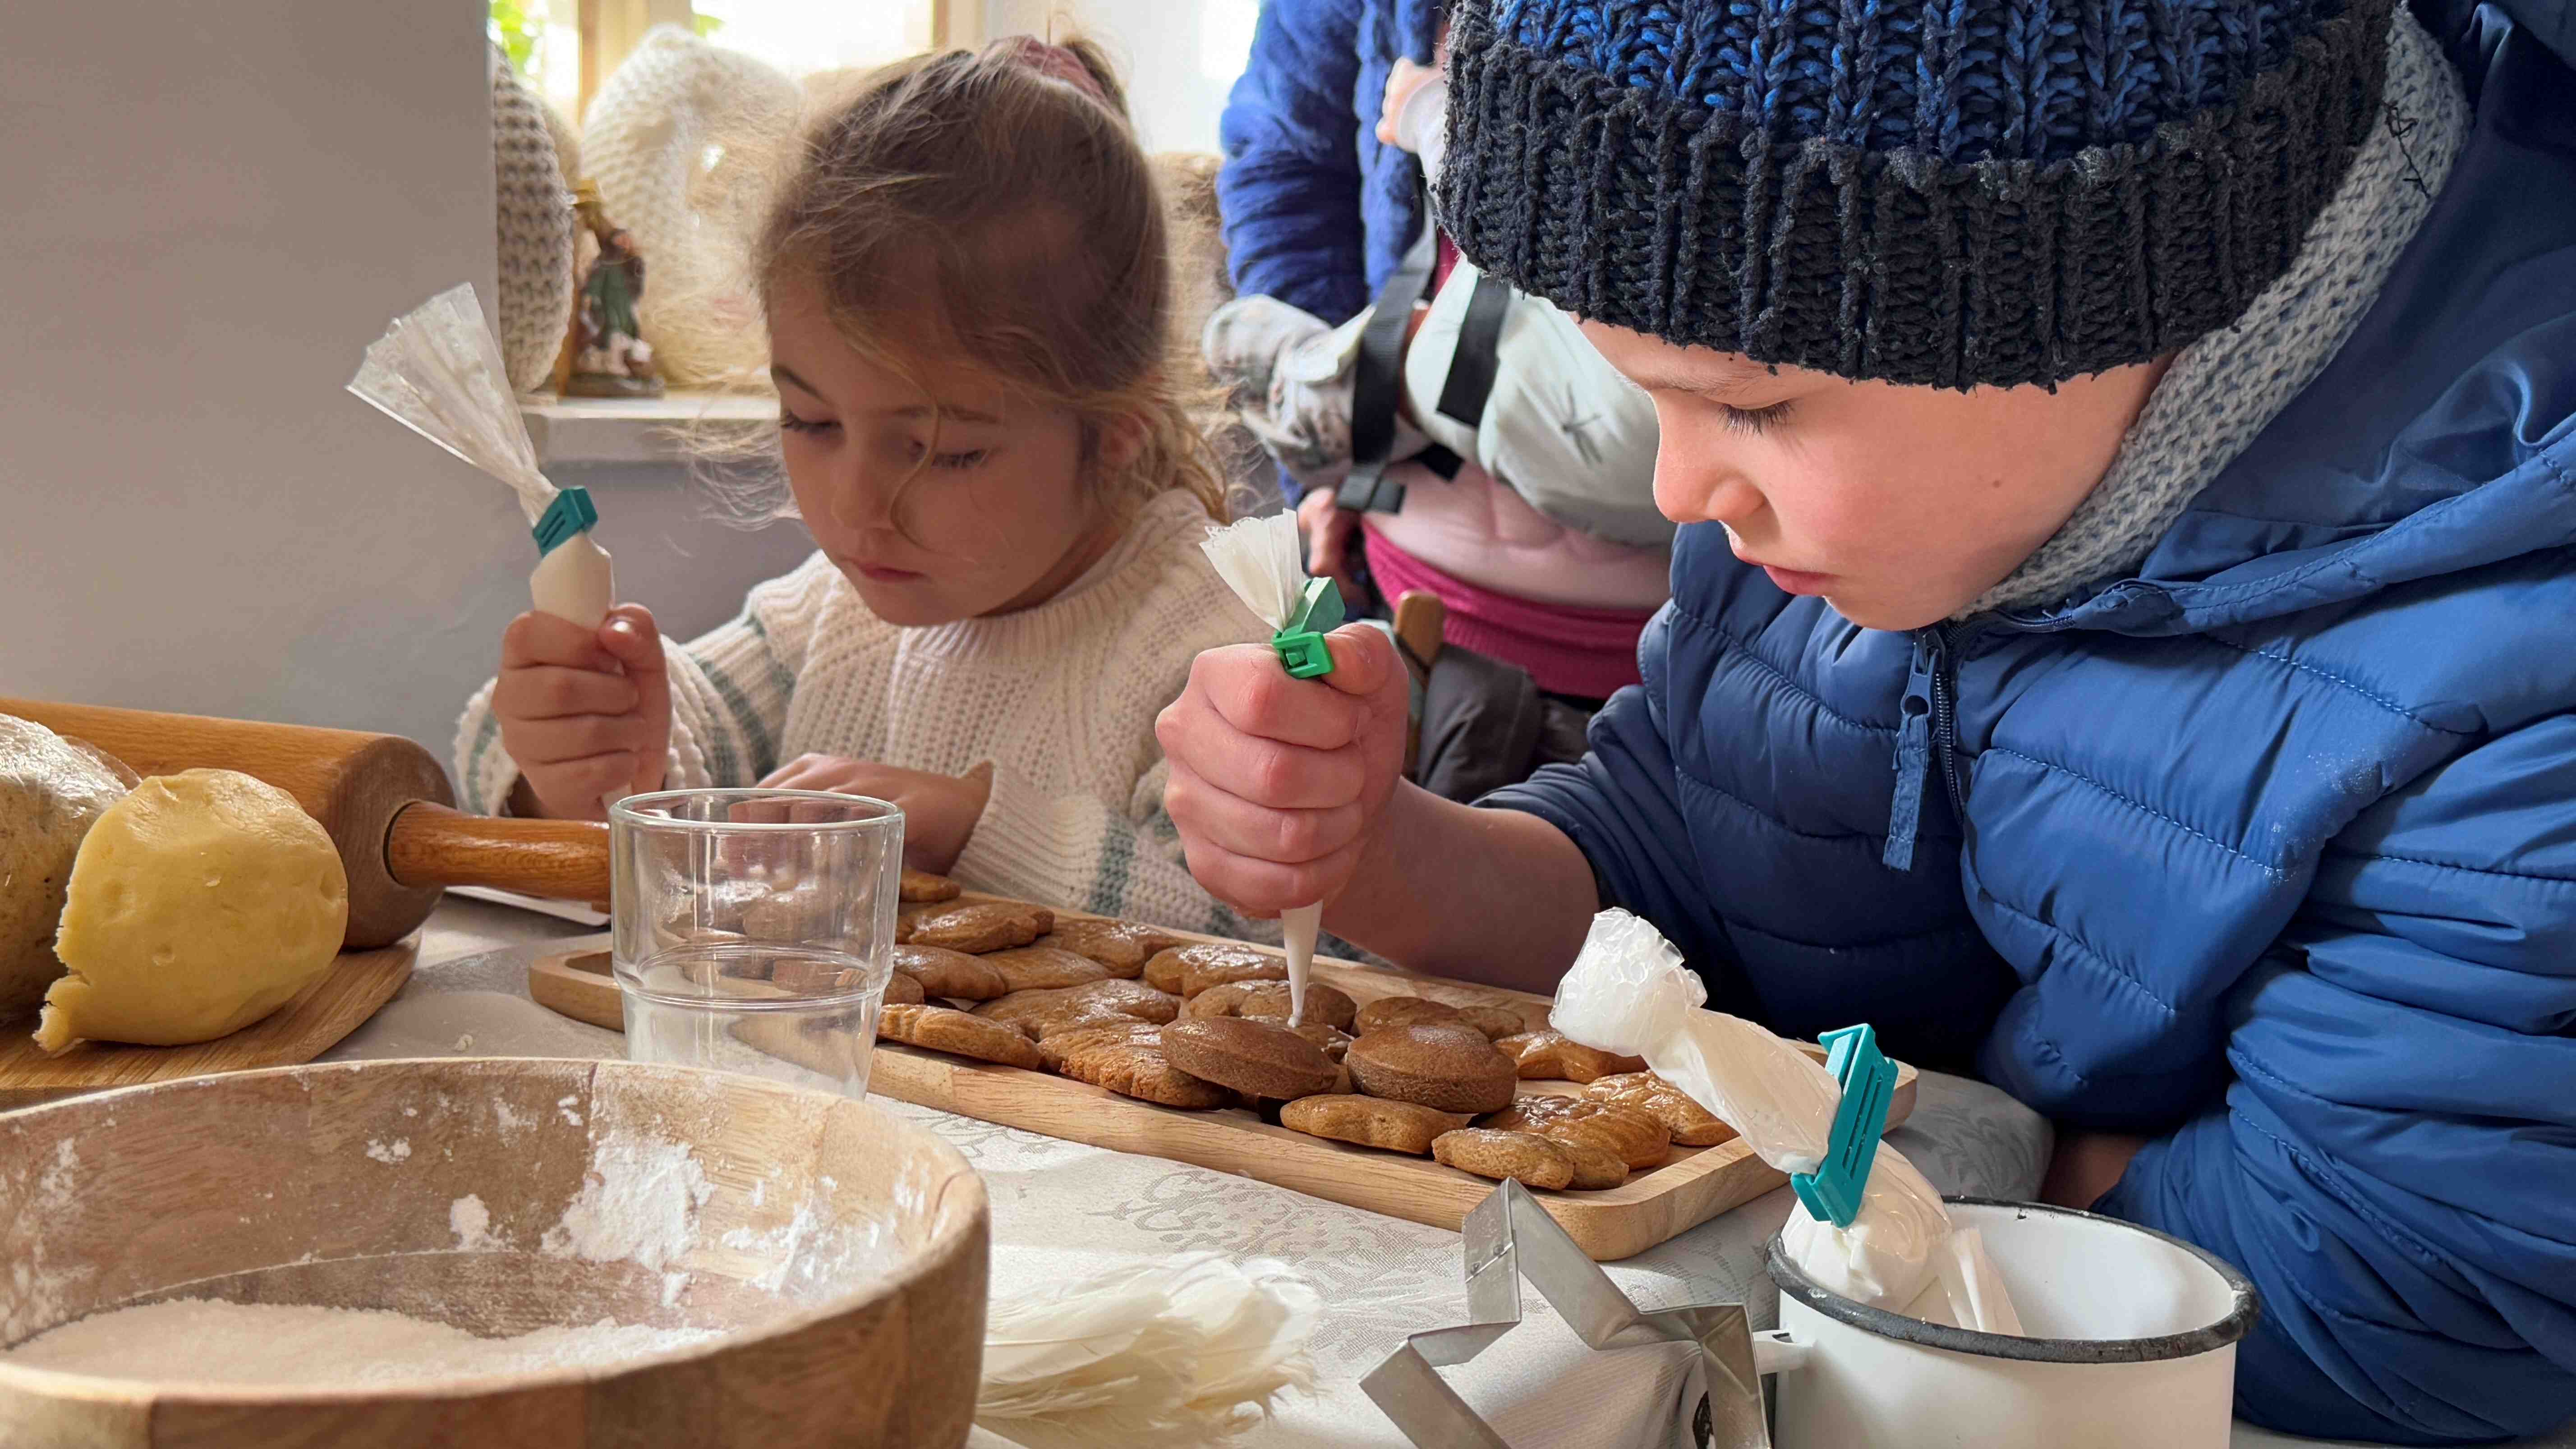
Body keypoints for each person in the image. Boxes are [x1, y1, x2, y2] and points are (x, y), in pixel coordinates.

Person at [1159, 0, 2576, 1439]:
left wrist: (1940, 1139)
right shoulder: (1898, 508)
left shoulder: (2522, 654)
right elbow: (1683, 873)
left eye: (1752, 405)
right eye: (1642, 390)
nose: (1678, 490)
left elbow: (2396, 1292)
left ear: (2083, 284)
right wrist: (1377, 846)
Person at [455, 37, 1278, 939]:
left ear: (1118, 425)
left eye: (941, 448)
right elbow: (613, 747)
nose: (852, 510)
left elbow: (1272, 947)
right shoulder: (835, 619)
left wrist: (981, 833)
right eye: (811, 423)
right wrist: (582, 760)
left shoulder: (1211, 648)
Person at [1212, 0, 1671, 720]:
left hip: (1707, 655)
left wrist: (1440, 125)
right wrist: (1335, 481)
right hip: (1410, 616)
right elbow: (1291, 175)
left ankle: (1337, 389)